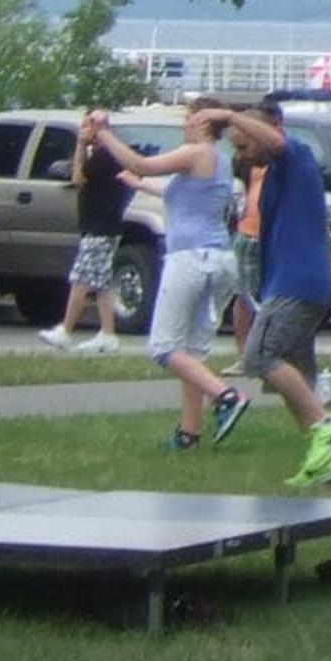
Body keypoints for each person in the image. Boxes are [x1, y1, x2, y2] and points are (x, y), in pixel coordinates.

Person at [218, 100, 331, 486]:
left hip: (298, 283)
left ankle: (325, 424)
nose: (240, 154)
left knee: (259, 356)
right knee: (296, 376)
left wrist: (232, 115)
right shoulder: (273, 172)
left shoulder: (297, 155)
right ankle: (322, 459)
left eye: (244, 145)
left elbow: (277, 142)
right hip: (290, 282)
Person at [97, 102, 247, 447]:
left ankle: (227, 397)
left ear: (204, 121)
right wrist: (137, 184)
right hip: (218, 258)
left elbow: (142, 163)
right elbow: (174, 192)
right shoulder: (218, 161)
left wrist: (105, 132)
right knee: (192, 355)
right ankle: (188, 433)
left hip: (191, 258)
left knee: (164, 347)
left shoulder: (197, 152)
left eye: (189, 116)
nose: (185, 123)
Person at [40, 114, 138, 352]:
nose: (83, 131)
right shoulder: (105, 154)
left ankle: (66, 330)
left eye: (87, 126)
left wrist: (80, 146)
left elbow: (78, 178)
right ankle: (108, 333)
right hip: (98, 226)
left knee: (81, 278)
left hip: (101, 228)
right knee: (101, 282)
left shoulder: (105, 155)